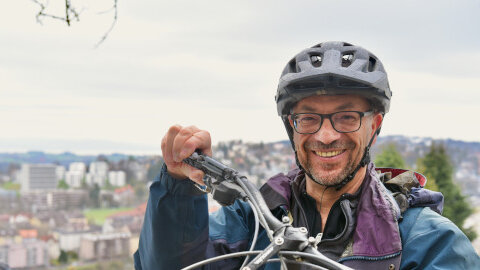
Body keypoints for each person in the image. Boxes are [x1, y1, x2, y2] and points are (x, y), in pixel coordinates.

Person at [134, 41, 480, 269]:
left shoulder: (430, 241)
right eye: (309, 118)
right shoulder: (252, 220)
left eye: (347, 117)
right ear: (292, 125)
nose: (326, 135)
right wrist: (179, 185)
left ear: (374, 125)